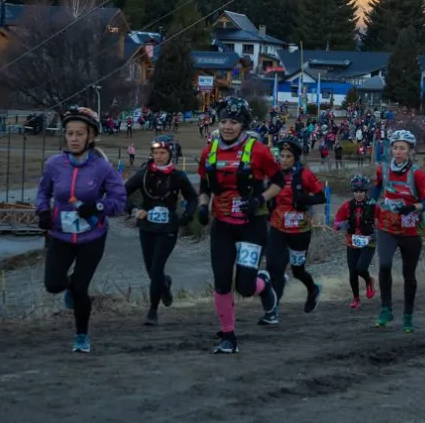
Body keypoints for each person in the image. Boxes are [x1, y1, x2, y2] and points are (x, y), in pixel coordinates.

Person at [197, 97, 284, 354]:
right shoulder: (209, 151)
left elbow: (278, 181)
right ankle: (228, 336)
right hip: (222, 225)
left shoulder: (258, 150)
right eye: (223, 120)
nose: (227, 126)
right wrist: (203, 206)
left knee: (244, 287)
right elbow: (204, 186)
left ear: (243, 124)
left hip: (251, 225)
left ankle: (264, 287)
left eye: (233, 122)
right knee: (222, 281)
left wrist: (260, 198)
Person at [36, 106, 126, 353]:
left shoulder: (102, 168)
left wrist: (96, 206)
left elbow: (119, 202)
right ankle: (69, 288)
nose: (73, 139)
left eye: (79, 134)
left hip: (92, 237)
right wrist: (43, 211)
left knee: (79, 290)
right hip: (60, 235)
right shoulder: (54, 164)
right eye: (69, 133)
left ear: (91, 137)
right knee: (53, 284)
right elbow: (43, 192)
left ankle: (81, 336)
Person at [123, 138, 198, 326]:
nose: (158, 157)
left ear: (170, 154)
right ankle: (165, 284)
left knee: (156, 268)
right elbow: (122, 192)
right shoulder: (145, 174)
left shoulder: (178, 176)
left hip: (168, 229)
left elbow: (193, 198)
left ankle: (152, 310)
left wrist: (186, 217)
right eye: (155, 153)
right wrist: (133, 210)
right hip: (147, 227)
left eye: (162, 153)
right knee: (152, 271)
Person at [372, 129, 425, 333]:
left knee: (409, 274)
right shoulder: (382, 169)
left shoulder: (417, 173)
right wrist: (370, 204)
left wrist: (414, 207)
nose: (398, 152)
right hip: (387, 226)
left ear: (410, 151)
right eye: (395, 148)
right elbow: (375, 189)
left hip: (409, 229)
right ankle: (386, 309)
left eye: (403, 148)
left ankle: (408, 316)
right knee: (384, 265)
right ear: (391, 149)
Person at [261, 137, 327, 325]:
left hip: (299, 230)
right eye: (281, 155)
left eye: (288, 156)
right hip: (277, 227)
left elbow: (321, 197)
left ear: (295, 158)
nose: (283, 159)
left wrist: (304, 200)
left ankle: (313, 289)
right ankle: (272, 311)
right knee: (274, 266)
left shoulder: (305, 175)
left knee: (298, 270)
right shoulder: (274, 174)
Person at [335, 174, 377, 308]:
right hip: (351, 241)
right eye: (356, 191)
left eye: (362, 191)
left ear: (366, 191)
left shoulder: (373, 206)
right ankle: (356, 298)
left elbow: (383, 221)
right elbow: (337, 221)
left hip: (368, 241)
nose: (359, 194)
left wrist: (378, 233)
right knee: (352, 271)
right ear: (353, 191)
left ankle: (369, 280)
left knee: (361, 268)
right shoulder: (347, 206)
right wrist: (340, 225)